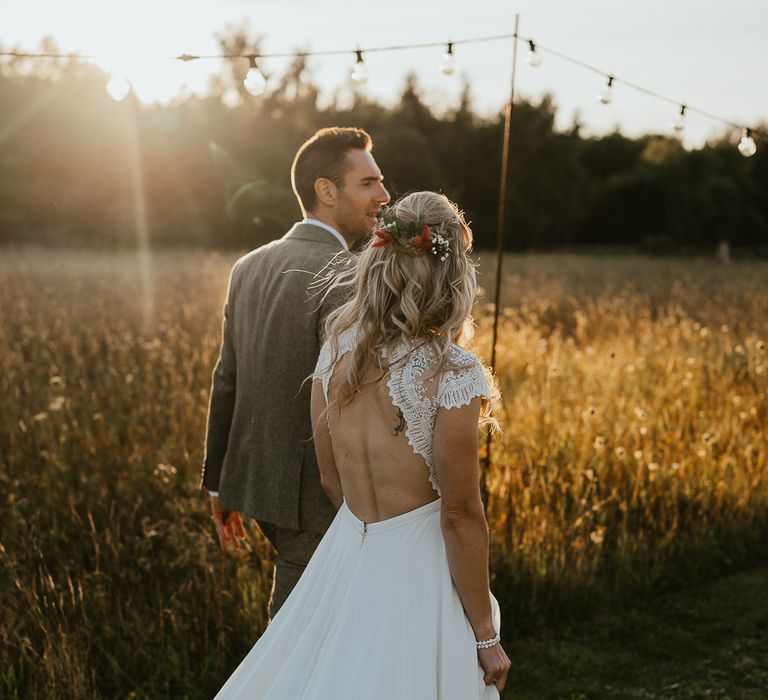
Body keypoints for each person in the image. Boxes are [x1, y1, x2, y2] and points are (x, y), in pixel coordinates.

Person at [213, 191, 511, 698]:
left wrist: (368, 539)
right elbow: (460, 515)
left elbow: (332, 479)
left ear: (378, 262)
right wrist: (487, 634)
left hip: (348, 552)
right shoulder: (452, 372)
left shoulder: (337, 351)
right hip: (421, 571)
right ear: (452, 273)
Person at [200, 127, 390, 619]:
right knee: (302, 633)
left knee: (315, 620)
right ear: (326, 191)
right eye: (368, 183)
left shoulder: (248, 265)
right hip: (320, 497)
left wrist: (219, 484)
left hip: (256, 484)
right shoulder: (350, 273)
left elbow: (227, 377)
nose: (384, 196)